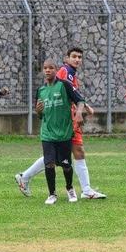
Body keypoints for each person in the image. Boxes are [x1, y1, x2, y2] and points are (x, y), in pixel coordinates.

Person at [15, 47, 106, 200]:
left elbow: (74, 94)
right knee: (74, 151)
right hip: (65, 121)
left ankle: (25, 176)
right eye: (74, 57)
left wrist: (84, 106)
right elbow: (64, 92)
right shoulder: (64, 72)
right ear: (66, 59)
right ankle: (85, 190)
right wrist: (77, 113)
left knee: (64, 154)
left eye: (79, 57)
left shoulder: (70, 73)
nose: (77, 59)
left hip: (68, 119)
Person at [36, 59, 86, 204]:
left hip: (64, 133)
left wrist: (78, 113)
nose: (47, 70)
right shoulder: (40, 90)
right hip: (47, 133)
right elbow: (40, 115)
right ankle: (52, 194)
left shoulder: (65, 85)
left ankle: (70, 188)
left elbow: (80, 100)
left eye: (51, 68)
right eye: (45, 68)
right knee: (49, 164)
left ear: (56, 70)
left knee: (65, 165)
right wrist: (38, 111)